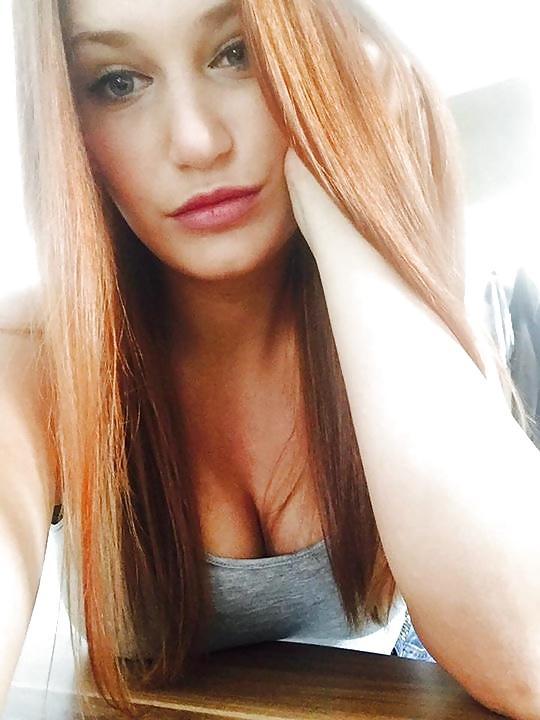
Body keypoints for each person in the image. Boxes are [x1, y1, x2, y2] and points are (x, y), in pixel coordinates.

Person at [3, 0, 540, 718]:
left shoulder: (431, 313)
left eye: (239, 53)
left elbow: (530, 661)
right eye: (118, 82)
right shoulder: (39, 355)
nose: (197, 142)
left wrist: (344, 204)